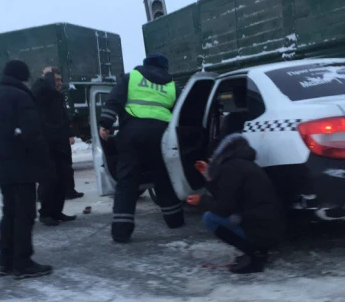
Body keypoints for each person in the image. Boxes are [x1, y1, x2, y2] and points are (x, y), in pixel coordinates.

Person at [0, 60, 53, 279]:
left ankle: (5, 262)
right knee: (25, 214)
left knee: (9, 212)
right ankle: (22, 262)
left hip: (0, 166)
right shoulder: (21, 97)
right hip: (21, 165)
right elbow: (32, 134)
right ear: (23, 76)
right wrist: (44, 162)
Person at [99, 53, 184, 243]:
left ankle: (121, 232)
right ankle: (174, 220)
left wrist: (106, 123)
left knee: (126, 183)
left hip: (132, 134)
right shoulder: (171, 84)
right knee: (163, 178)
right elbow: (182, 110)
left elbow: (114, 99)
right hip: (162, 135)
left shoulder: (132, 77)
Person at [186, 134, 285, 273]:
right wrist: (208, 174)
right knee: (218, 216)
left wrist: (202, 200)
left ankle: (255, 254)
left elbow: (223, 208)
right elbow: (227, 195)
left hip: (261, 229)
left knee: (211, 218)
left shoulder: (231, 168)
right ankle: (255, 250)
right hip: (267, 226)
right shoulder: (242, 164)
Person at [32, 67, 78, 226]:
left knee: (62, 179)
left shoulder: (57, 95)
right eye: (57, 80)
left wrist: (68, 133)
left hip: (60, 143)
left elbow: (62, 118)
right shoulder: (42, 93)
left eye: (60, 80)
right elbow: (44, 119)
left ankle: (57, 212)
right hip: (48, 144)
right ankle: (45, 213)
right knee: (49, 180)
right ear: (49, 80)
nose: (60, 83)